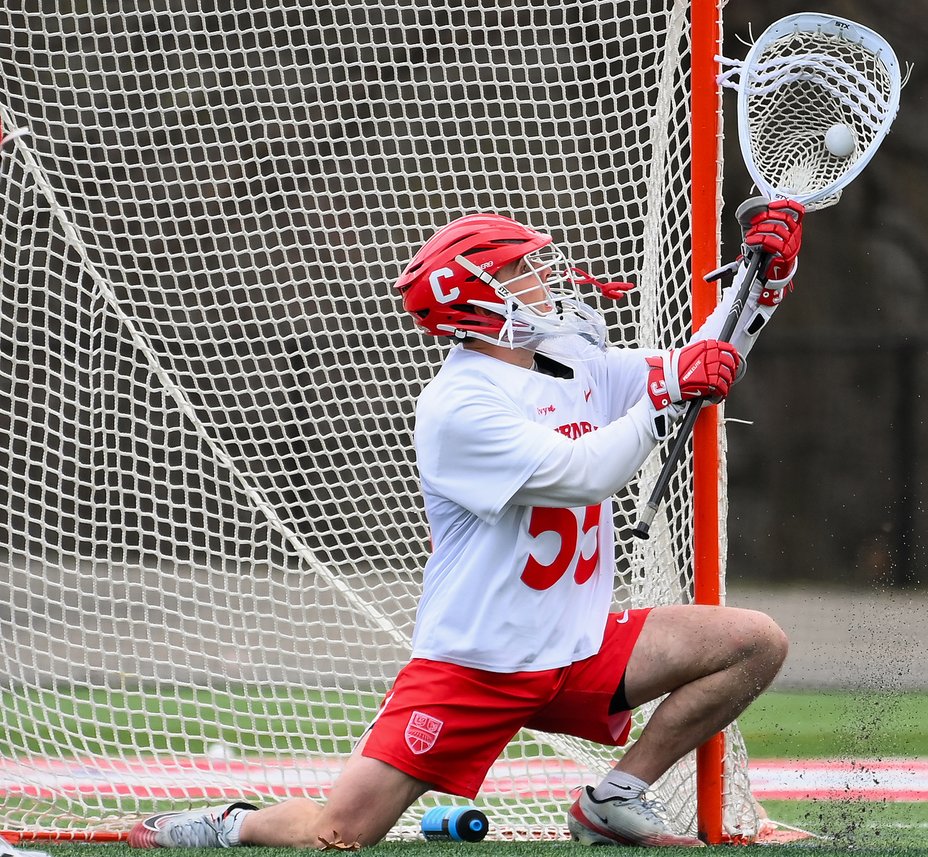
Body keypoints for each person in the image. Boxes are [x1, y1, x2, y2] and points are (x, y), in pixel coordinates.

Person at [128, 199, 805, 850]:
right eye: (522, 269)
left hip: (576, 646)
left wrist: (764, 283)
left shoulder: (571, 361)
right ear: (480, 299)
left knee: (753, 643)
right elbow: (585, 471)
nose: (546, 278)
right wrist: (668, 398)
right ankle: (231, 824)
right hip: (477, 665)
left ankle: (615, 796)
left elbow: (703, 362)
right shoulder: (458, 405)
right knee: (341, 833)